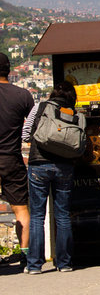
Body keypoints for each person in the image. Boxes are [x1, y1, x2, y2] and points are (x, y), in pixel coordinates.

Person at [21, 82, 80, 274]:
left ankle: (34, 265)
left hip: (39, 163)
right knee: (62, 215)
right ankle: (64, 263)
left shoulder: (40, 106)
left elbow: (25, 133)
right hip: (65, 166)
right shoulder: (74, 112)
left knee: (37, 215)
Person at [0, 52, 34, 270]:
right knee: (21, 209)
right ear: (10, 71)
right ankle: (25, 256)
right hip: (12, 157)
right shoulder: (23, 95)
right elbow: (33, 125)